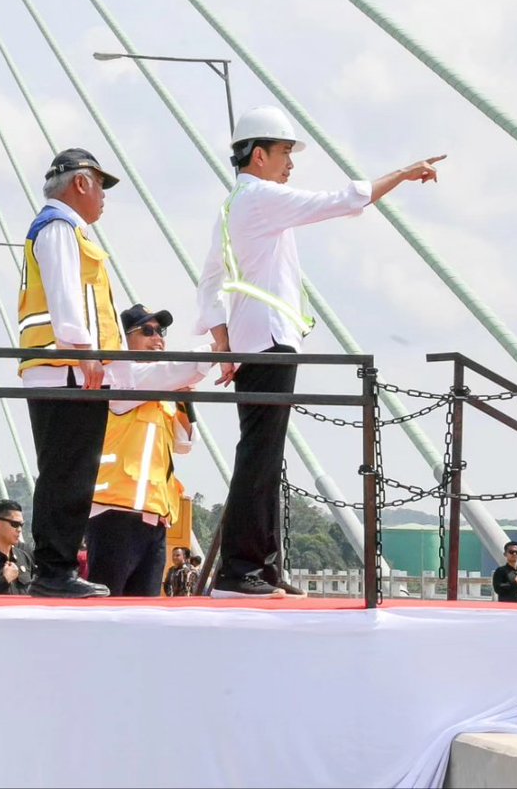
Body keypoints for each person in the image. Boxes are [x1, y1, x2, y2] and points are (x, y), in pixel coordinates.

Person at [196, 105, 443, 597]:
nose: (291, 164)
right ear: (259, 154)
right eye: (286, 153)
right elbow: (339, 201)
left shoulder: (235, 205)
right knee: (260, 455)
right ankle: (241, 568)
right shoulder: (263, 197)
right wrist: (402, 172)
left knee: (262, 454)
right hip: (268, 339)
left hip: (255, 340)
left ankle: (257, 566)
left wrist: (223, 339)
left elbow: (210, 278)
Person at [18, 147, 122, 598]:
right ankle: (54, 571)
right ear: (81, 183)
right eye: (101, 185)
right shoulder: (60, 227)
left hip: (64, 369)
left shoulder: (63, 228)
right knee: (67, 472)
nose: (104, 197)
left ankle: (56, 569)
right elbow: (65, 300)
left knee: (69, 471)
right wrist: (86, 355)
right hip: (66, 370)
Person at [87, 304, 210, 597]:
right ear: (125, 339)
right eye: (148, 331)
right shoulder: (118, 377)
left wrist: (181, 400)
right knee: (107, 608)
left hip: (156, 520)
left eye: (161, 331)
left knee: (144, 614)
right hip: (115, 514)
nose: (158, 339)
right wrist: (218, 347)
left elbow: (185, 443)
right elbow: (169, 373)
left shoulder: (161, 394)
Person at [0, 499, 36, 595]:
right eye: (15, 524)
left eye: (21, 525)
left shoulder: (24, 557)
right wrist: (3, 580)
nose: (19, 529)